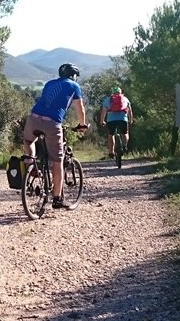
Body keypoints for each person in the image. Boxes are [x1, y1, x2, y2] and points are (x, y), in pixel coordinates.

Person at [22, 62, 89, 210]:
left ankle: (30, 160)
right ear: (73, 76)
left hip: (33, 118)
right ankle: (57, 198)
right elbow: (80, 109)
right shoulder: (74, 86)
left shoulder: (50, 83)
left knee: (28, 140)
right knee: (57, 161)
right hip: (52, 123)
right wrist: (82, 125)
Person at [99, 86, 134, 158]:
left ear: (112, 93)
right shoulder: (125, 99)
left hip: (111, 120)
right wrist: (130, 120)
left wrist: (102, 121)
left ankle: (111, 152)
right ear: (121, 92)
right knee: (125, 133)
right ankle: (124, 146)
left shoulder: (108, 100)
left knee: (111, 135)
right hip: (123, 119)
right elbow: (130, 110)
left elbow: (103, 112)